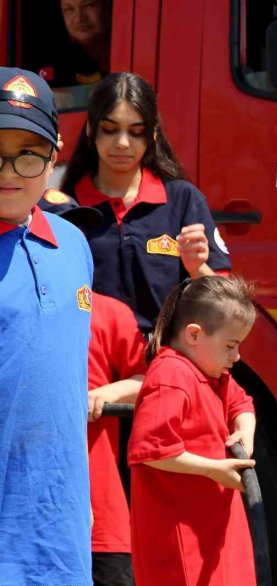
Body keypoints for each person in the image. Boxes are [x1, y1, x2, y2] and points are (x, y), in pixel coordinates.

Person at [0, 66, 93, 585]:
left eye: (28, 153)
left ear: (55, 153)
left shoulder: (74, 245)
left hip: (60, 537)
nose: (9, 170)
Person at [61, 71, 231, 333]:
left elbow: (227, 309)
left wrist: (198, 268)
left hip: (164, 362)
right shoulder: (65, 207)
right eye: (110, 129)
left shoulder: (183, 199)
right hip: (93, 364)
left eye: (136, 131)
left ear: (152, 134)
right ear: (90, 129)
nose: (122, 143)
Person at [39, 190, 147, 586]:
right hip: (24, 518)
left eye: (78, 232)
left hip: (101, 520)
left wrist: (108, 393)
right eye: (58, 230)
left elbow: (151, 379)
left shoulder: (111, 312)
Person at [127, 275, 258, 586]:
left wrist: (245, 429)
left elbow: (242, 403)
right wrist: (215, 470)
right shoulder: (171, 375)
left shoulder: (210, 372)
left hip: (210, 530)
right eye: (230, 345)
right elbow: (152, 449)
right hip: (181, 541)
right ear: (194, 335)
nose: (236, 356)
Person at [41, 0, 111, 87]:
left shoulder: (127, 46)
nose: (79, 18)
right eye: (69, 9)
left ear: (107, 6)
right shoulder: (58, 59)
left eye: (88, 5)